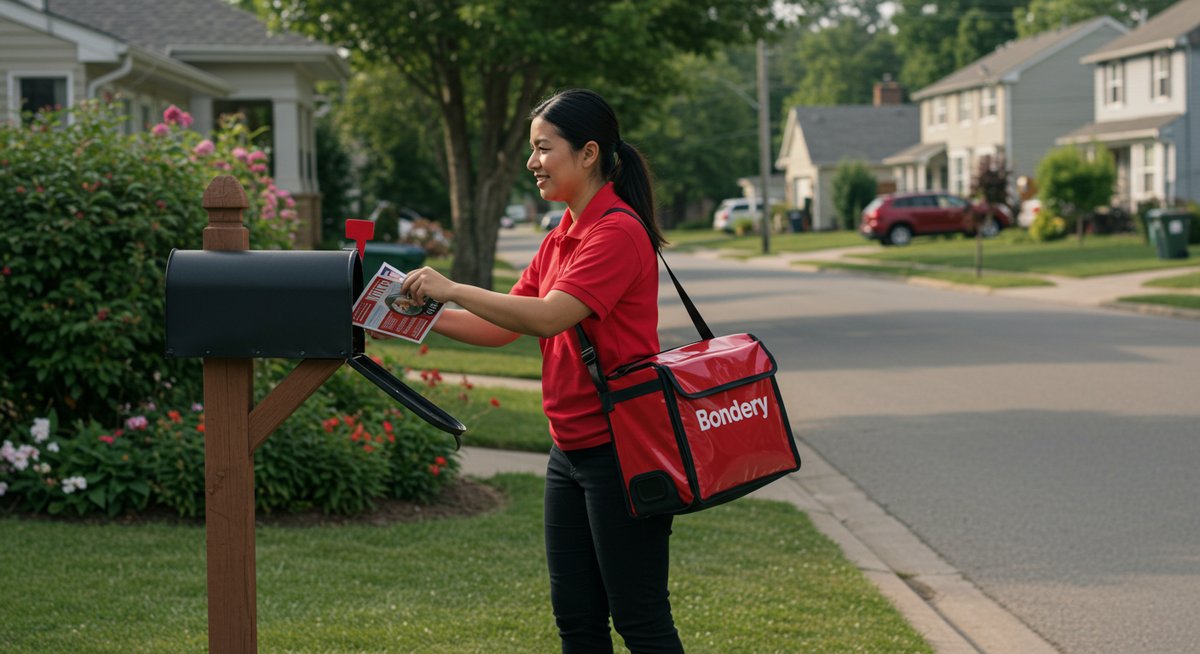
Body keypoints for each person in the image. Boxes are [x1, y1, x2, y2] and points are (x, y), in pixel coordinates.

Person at [399, 88, 683, 653]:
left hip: (622, 451)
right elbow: (504, 325)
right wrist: (411, 318)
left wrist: (451, 287)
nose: (532, 163)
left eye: (543, 148)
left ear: (588, 154)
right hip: (569, 452)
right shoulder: (560, 237)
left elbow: (551, 316)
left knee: (640, 622)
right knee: (577, 622)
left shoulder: (617, 232)